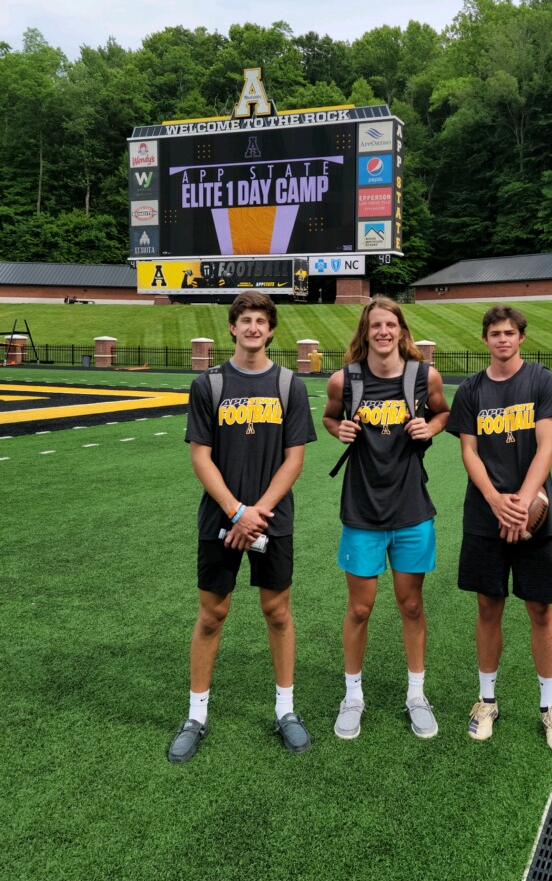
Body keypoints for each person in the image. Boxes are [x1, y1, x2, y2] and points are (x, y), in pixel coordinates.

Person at [167, 291, 317, 763]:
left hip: (273, 517)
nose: (253, 327)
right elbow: (200, 456)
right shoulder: (208, 384)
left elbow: (295, 460)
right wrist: (236, 512)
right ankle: (196, 716)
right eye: (245, 320)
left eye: (261, 321)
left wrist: (257, 514)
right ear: (232, 328)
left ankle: (286, 711)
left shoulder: (289, 385)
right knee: (212, 614)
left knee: (277, 612)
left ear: (271, 330)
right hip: (221, 516)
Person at [446, 305, 552, 753]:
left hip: (534, 514)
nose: (502, 340)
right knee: (488, 607)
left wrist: (521, 502)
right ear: (485, 340)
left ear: (521, 337)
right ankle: (486, 700)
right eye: (494, 334)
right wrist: (497, 501)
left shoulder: (542, 381)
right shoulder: (471, 390)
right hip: (485, 515)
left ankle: (550, 707)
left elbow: (547, 444)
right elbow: (469, 453)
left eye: (509, 333)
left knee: (540, 610)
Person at [322, 297, 450, 740]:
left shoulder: (423, 375)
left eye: (390, 324)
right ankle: (352, 695)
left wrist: (430, 428)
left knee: (411, 604)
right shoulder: (345, 379)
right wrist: (336, 429)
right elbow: (329, 417)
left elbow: (444, 412)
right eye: (375, 325)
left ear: (401, 330)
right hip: (362, 509)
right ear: (365, 331)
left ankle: (417, 693)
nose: (382, 332)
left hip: (412, 508)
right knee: (360, 608)